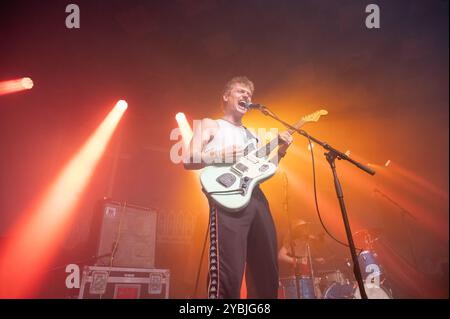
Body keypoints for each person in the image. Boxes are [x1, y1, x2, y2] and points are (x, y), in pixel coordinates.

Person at [184, 76, 293, 299]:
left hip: (256, 199)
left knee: (267, 271)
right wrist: (219, 155)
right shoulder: (210, 124)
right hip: (227, 199)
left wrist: (280, 152)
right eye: (241, 91)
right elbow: (188, 158)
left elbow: (261, 173)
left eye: (249, 94)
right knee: (228, 272)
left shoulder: (251, 135)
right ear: (226, 96)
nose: (246, 96)